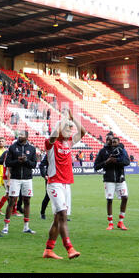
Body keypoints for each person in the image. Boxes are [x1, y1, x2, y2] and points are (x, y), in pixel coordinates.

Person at [43, 109, 86, 260]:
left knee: (57, 219)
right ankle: (69, 248)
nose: (71, 130)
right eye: (67, 128)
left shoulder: (68, 143)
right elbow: (54, 133)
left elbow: (83, 131)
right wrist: (63, 119)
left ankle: (49, 250)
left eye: (71, 127)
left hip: (66, 185)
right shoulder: (50, 144)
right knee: (62, 215)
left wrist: (72, 118)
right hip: (55, 184)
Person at [2, 130, 37, 234]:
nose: (19, 136)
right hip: (15, 178)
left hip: (27, 179)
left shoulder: (32, 149)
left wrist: (26, 161)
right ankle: (6, 226)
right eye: (19, 134)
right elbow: (7, 162)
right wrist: (18, 161)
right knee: (12, 201)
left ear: (26, 137)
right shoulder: (12, 147)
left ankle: (26, 227)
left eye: (21, 135)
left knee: (27, 201)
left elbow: (34, 165)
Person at [94, 136, 130, 230]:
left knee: (125, 197)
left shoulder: (121, 150)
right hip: (109, 179)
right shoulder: (103, 151)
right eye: (108, 140)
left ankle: (121, 222)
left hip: (120, 178)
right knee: (109, 199)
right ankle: (110, 223)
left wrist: (116, 161)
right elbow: (96, 166)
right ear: (106, 141)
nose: (110, 141)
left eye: (112, 140)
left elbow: (127, 162)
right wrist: (106, 162)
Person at [39, 153, 49, 220]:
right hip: (50, 177)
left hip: (61, 178)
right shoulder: (50, 154)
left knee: (62, 197)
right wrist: (44, 175)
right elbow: (41, 165)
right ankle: (42, 213)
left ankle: (62, 215)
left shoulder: (62, 153)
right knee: (48, 196)